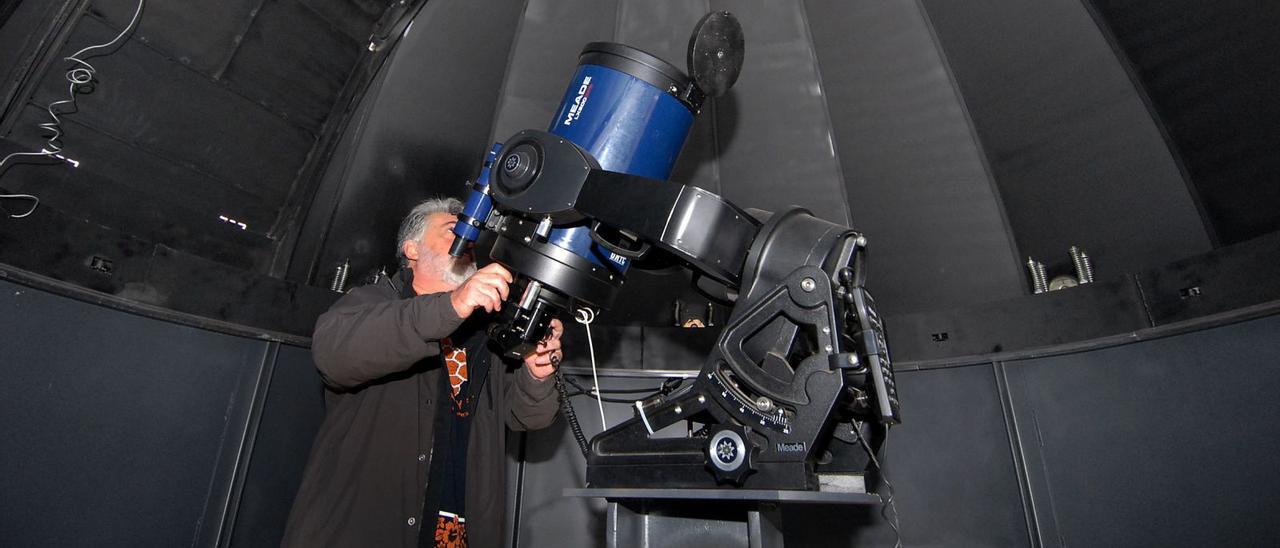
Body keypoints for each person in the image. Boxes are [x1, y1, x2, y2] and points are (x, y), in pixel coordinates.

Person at [282, 197, 563, 548]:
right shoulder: (371, 303)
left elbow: (527, 417)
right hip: (364, 529)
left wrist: (536, 375)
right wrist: (452, 305)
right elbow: (334, 357)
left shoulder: (484, 333)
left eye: (472, 233)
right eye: (453, 230)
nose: (467, 240)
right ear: (411, 249)